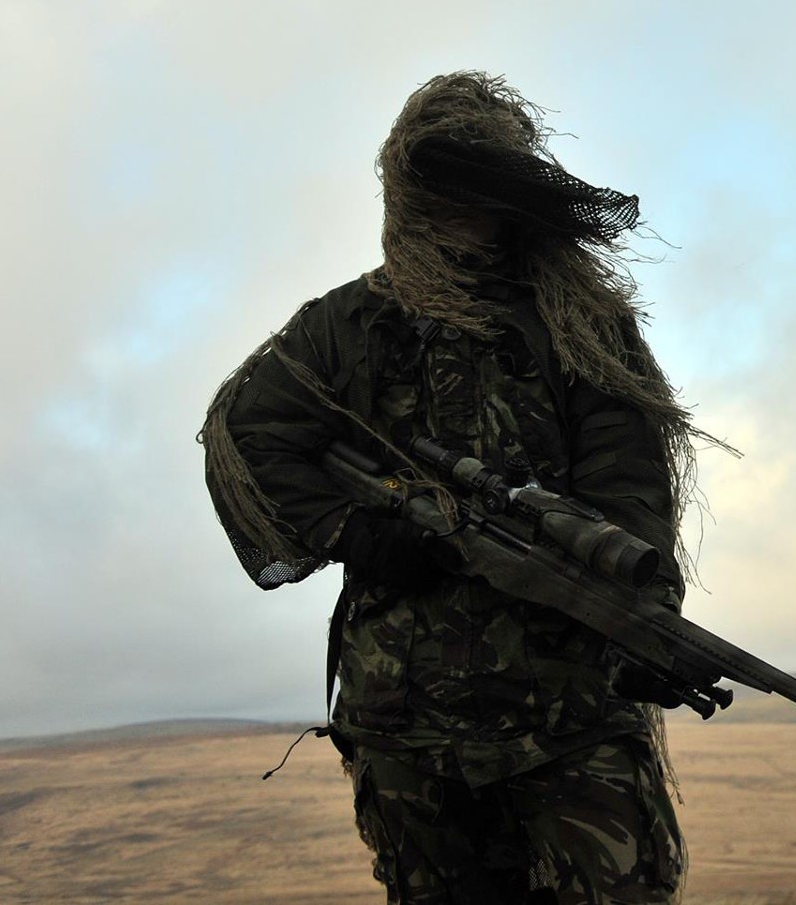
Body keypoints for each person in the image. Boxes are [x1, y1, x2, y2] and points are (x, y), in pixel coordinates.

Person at [201, 72, 709, 903]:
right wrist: (354, 531)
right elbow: (253, 439)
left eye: (484, 192)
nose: (469, 218)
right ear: (409, 197)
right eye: (448, 193)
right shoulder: (343, 326)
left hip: (570, 711)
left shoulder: (580, 325)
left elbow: (631, 487)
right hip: (407, 722)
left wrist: (643, 625)